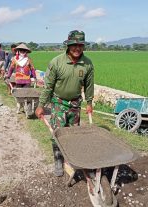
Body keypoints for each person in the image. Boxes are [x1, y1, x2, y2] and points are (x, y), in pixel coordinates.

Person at [35, 30, 94, 177]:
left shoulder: (87, 64)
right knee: (58, 134)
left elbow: (89, 85)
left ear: (83, 46)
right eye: (74, 45)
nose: (77, 48)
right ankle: (58, 160)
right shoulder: (56, 63)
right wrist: (41, 105)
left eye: (80, 45)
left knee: (74, 135)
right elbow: (48, 86)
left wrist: (89, 102)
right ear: (68, 45)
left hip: (75, 105)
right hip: (58, 103)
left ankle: (74, 161)